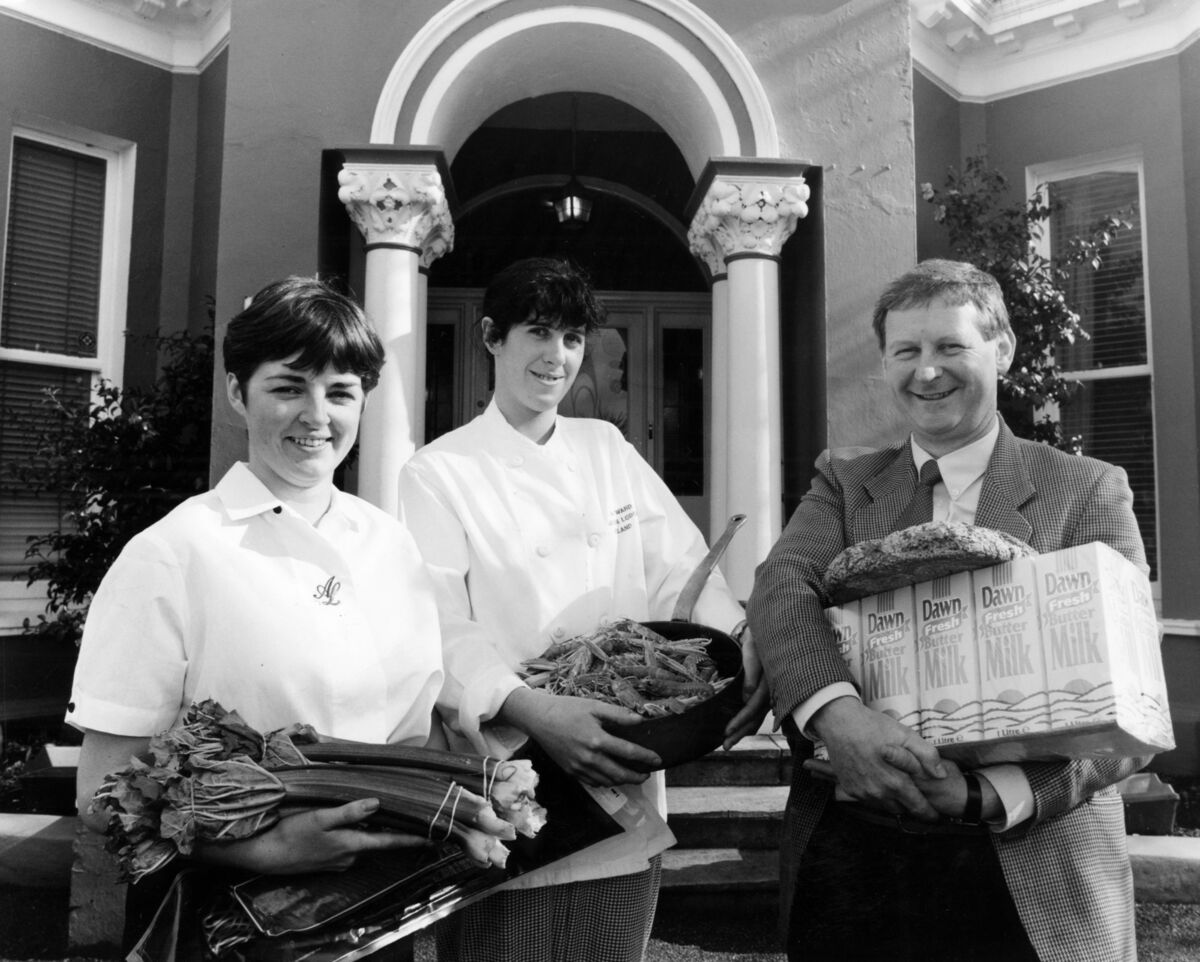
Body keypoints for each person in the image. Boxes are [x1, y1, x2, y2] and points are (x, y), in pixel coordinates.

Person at [747, 259, 1149, 962]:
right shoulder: (844, 485)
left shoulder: (1087, 490)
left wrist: (981, 795)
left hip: (1029, 868)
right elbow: (783, 587)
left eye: (949, 347)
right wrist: (840, 720)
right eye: (907, 351)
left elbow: (1134, 710)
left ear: (1003, 349)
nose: (926, 372)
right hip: (858, 864)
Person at [398, 256, 769, 962]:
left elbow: (679, 573)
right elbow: (439, 626)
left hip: (622, 757)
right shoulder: (439, 471)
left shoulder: (606, 448)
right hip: (510, 769)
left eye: (572, 339)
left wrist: (736, 640)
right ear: (490, 337)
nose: (557, 356)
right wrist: (537, 711)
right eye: (538, 332)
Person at [68, 276, 444, 952]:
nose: (317, 415)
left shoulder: (390, 545)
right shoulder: (174, 554)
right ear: (237, 392)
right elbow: (101, 796)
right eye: (288, 387)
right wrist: (261, 850)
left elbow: (412, 740)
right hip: (227, 921)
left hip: (379, 909)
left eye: (340, 392)